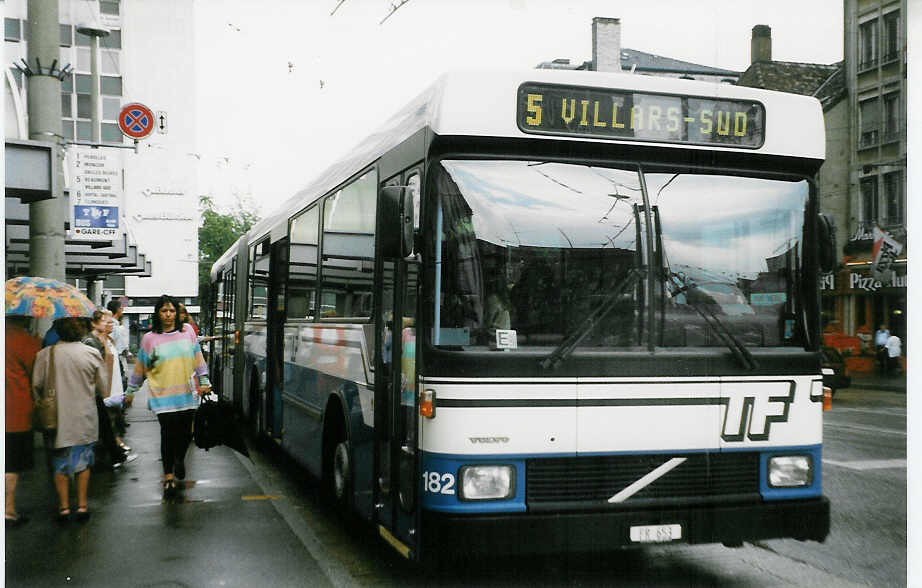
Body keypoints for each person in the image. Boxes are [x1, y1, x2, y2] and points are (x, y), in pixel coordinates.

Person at [126, 295, 211, 496]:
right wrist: (131, 390)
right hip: (162, 396)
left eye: (171, 311)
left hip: (187, 394)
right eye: (164, 311)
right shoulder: (149, 339)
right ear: (158, 313)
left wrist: (204, 380)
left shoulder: (187, 332)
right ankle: (168, 476)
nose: (168, 315)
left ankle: (179, 459)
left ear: (177, 313)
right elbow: (141, 367)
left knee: (185, 434)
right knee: (167, 434)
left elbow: (198, 358)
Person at [31, 317, 106, 523]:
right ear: (81, 331)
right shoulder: (91, 353)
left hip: (56, 419)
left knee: (59, 463)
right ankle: (82, 506)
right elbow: (103, 389)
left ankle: (64, 508)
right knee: (83, 463)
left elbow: (36, 385)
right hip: (84, 417)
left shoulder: (45, 355)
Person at [82, 309, 135, 468]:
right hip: (102, 389)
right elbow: (99, 367)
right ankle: (110, 456)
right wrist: (104, 389)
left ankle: (114, 452)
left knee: (109, 420)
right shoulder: (91, 341)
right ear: (94, 323)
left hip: (112, 387)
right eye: (107, 321)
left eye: (111, 322)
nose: (111, 324)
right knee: (104, 423)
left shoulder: (107, 339)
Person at [5, 316, 42, 528]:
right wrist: (36, 343)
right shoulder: (23, 340)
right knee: (11, 463)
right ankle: (8, 510)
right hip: (15, 411)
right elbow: (35, 372)